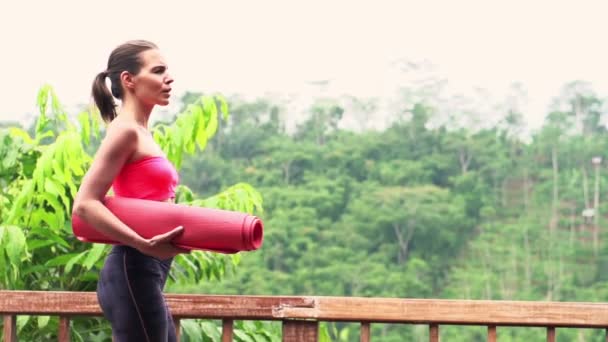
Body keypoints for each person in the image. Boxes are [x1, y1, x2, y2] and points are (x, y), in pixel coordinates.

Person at [72, 40, 188, 342]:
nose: (169, 78)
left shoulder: (141, 133)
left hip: (146, 273)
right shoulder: (124, 131)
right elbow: (84, 204)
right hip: (132, 268)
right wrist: (143, 244)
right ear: (129, 80)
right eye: (159, 70)